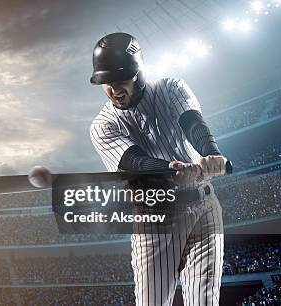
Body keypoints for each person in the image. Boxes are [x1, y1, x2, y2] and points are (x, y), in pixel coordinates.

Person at [89, 32, 229, 306]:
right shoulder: (102, 126)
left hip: (204, 206)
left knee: (205, 302)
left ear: (138, 73)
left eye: (121, 79)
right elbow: (135, 162)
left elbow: (192, 123)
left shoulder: (170, 87)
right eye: (106, 81)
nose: (114, 88)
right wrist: (170, 169)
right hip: (155, 217)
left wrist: (211, 153)